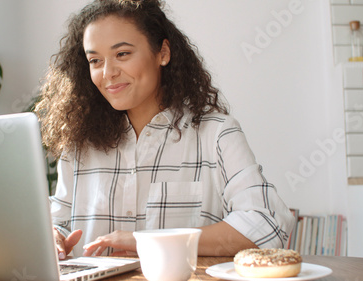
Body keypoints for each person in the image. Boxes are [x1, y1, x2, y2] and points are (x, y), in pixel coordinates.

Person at [35, 0, 294, 259]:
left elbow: (268, 224)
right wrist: (54, 235)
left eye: (122, 54)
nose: (108, 72)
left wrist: (150, 241)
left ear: (163, 53)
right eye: (95, 60)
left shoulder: (216, 134)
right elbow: (60, 220)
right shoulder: (80, 142)